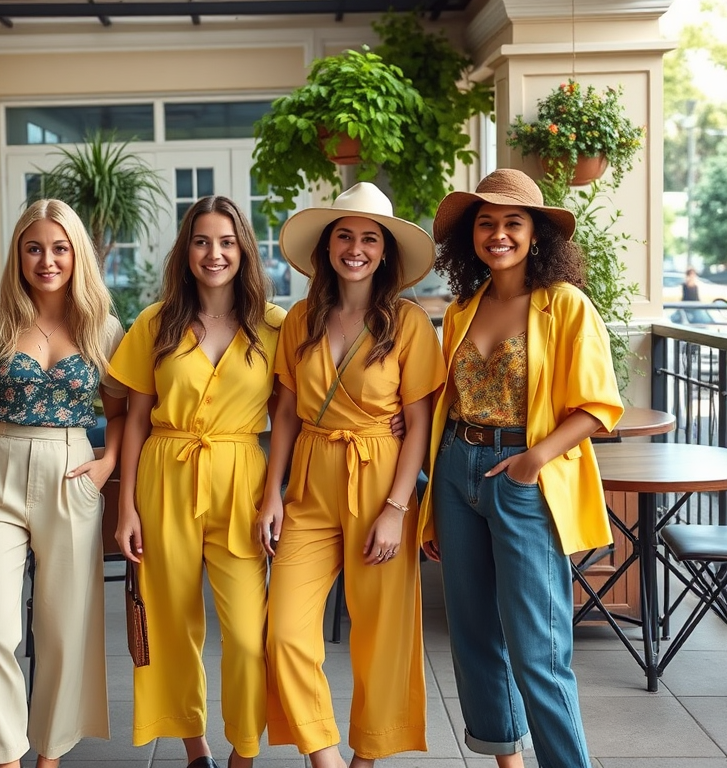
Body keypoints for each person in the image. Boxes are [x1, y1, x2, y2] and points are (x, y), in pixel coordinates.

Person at [421, 168, 624, 768]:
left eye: (513, 222)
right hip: (457, 471)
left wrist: (532, 461)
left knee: (539, 647)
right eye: (486, 223)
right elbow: (446, 404)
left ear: (536, 234)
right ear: (471, 237)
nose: (499, 234)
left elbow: (597, 404)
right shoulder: (462, 308)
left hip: (525, 476)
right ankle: (506, 760)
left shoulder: (565, 305)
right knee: (474, 635)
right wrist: (436, 501)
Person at [259, 182, 444, 768]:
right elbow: (284, 415)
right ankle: (324, 755)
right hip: (310, 481)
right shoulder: (300, 319)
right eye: (345, 236)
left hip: (381, 478)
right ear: (328, 246)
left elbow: (418, 423)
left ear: (385, 251)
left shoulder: (410, 323)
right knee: (284, 630)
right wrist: (272, 496)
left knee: (382, 633)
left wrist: (395, 509)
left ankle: (365, 757)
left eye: (369, 238)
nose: (356, 248)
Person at [0, 199, 126, 768]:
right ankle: (3, 757)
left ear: (78, 254)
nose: (47, 260)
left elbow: (120, 412)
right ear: (18, 254)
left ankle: (48, 755)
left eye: (60, 248)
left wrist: (107, 461)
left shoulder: (104, 326)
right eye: (34, 248)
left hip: (72, 468)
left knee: (64, 629)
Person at [111, 196, 286, 768]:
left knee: (244, 634)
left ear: (244, 251)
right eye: (203, 241)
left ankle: (245, 749)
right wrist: (126, 509)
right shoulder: (154, 322)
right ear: (186, 250)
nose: (215, 254)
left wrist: (276, 495)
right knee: (169, 622)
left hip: (242, 480)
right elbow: (135, 417)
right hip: (165, 474)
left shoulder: (275, 325)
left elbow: (292, 414)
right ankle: (195, 749)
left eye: (227, 242)